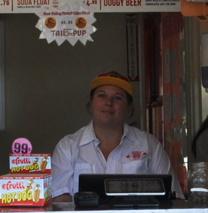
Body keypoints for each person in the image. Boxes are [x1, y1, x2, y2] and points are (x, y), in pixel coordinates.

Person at [50, 72, 175, 201]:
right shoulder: (68, 147)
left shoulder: (149, 145)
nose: (108, 102)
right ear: (91, 103)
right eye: (102, 96)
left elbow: (173, 197)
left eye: (117, 98)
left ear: (129, 108)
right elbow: (60, 199)